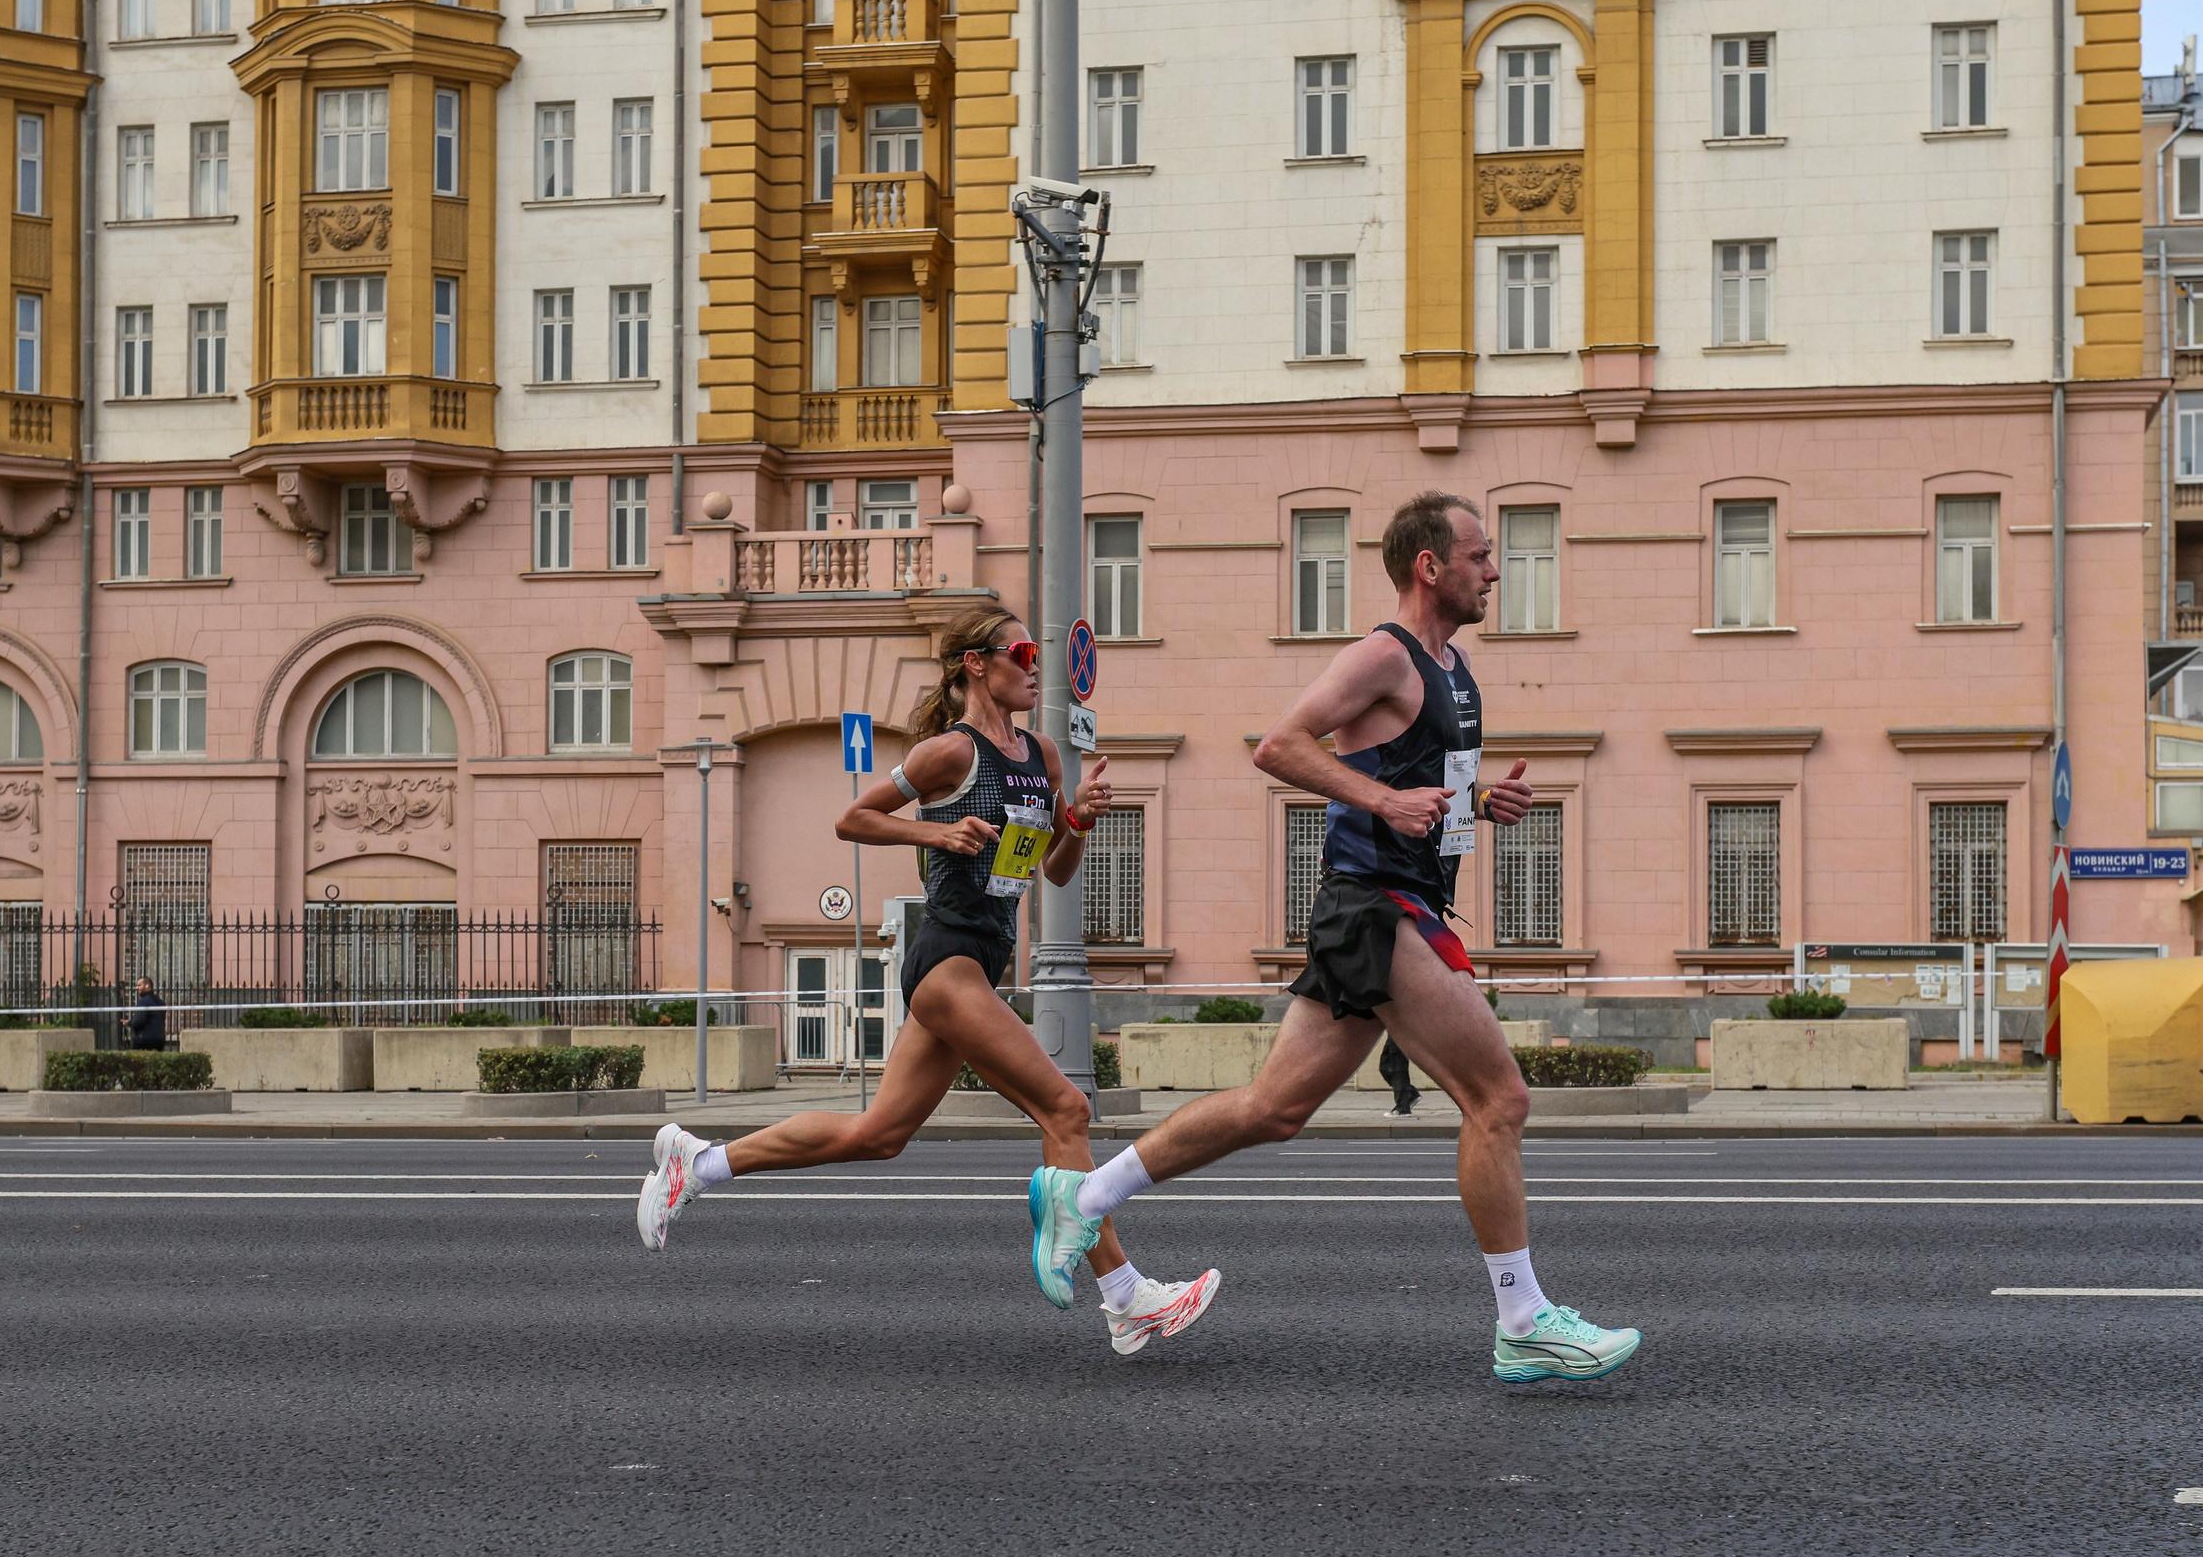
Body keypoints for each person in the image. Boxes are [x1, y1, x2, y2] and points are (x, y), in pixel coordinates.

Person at [1023, 492, 1642, 1385]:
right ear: (1429, 565)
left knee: (1274, 1107)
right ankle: (1523, 1318)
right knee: (1498, 1099)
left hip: (1397, 901)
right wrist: (1382, 801)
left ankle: (1085, 1196)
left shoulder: (1456, 671)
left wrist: (1476, 805)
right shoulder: (1382, 657)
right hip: (1376, 907)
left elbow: (1421, 792)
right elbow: (1278, 746)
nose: (1493, 570)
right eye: (1478, 555)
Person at [638, 608, 1220, 1356]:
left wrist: (1076, 819)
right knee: (1065, 1107)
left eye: (1037, 652)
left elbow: (1052, 872)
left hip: (983, 960)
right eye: (1021, 651)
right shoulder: (951, 753)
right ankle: (1126, 1294)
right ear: (976, 665)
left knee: (877, 1135)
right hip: (945, 959)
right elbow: (854, 818)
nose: (1034, 663)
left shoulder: (1041, 753)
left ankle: (699, 1164)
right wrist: (936, 831)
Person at [1377, 1037, 1421, 1117]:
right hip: (1395, 1033)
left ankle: (1402, 1109)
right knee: (1386, 1067)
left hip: (1400, 1033)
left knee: (1396, 1069)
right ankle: (1410, 1094)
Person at [127, 977, 168, 1051]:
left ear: (147, 986)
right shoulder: (160, 1002)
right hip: (159, 1039)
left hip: (144, 1039)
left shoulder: (143, 1002)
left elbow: (138, 1022)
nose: (137, 988)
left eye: (139, 985)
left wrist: (130, 1023)